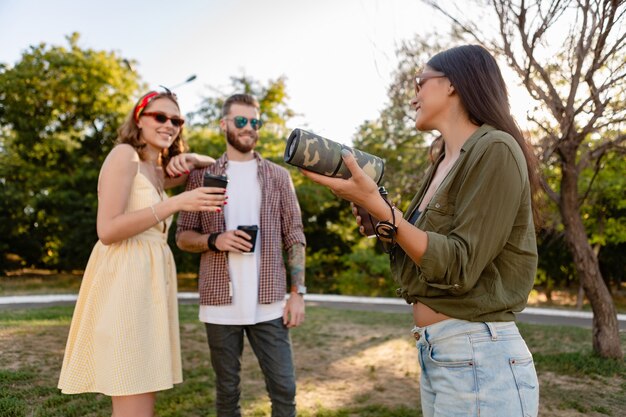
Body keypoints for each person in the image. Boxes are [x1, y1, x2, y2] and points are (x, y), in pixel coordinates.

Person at [301, 44, 541, 417]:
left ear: (452, 85)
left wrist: (386, 212)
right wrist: (381, 221)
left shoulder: (496, 148)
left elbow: (460, 265)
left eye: (419, 82)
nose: (413, 98)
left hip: (480, 353)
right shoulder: (443, 160)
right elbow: (424, 258)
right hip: (442, 353)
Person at [58, 89, 225, 417]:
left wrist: (192, 160)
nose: (170, 125)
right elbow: (107, 230)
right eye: (160, 117)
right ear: (139, 118)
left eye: (177, 120)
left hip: (147, 279)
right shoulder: (125, 156)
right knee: (131, 381)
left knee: (140, 381)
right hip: (125, 279)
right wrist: (175, 203)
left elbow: (212, 163)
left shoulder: (156, 170)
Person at [176, 93, 306, 417]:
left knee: (284, 388)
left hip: (270, 301)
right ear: (224, 124)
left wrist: (297, 293)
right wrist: (215, 240)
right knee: (227, 392)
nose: (249, 128)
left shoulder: (278, 176)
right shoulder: (201, 177)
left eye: (255, 122)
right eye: (241, 121)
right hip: (220, 304)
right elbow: (182, 236)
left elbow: (295, 236)